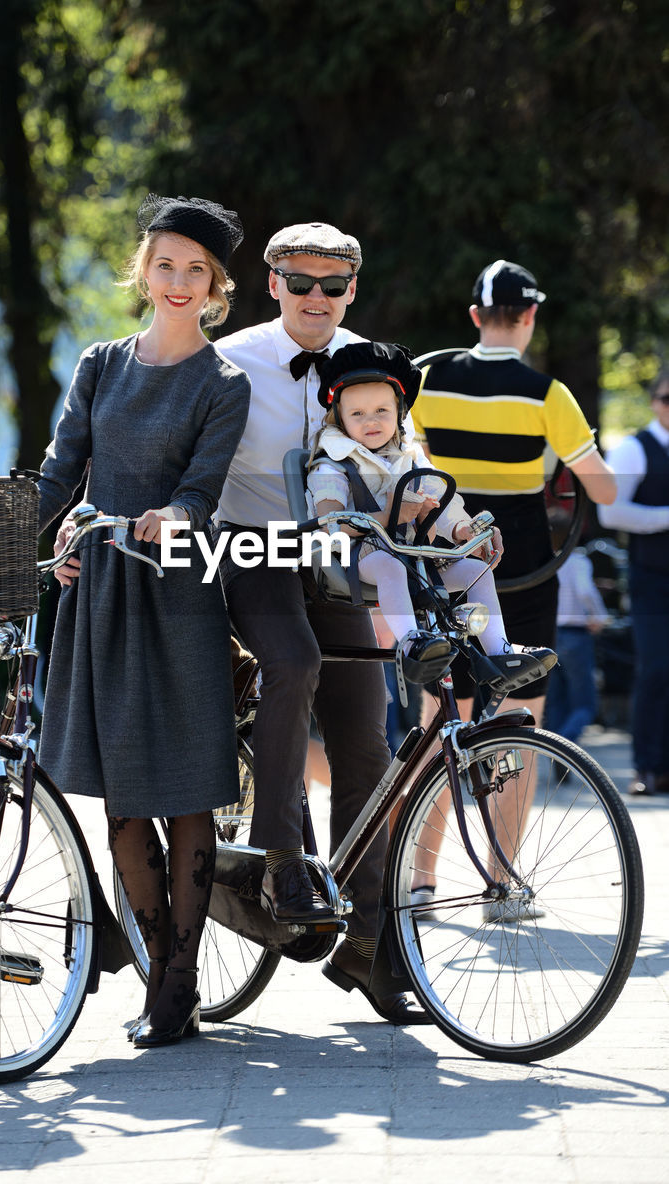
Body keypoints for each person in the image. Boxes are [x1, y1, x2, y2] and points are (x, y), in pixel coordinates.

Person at [38, 195, 251, 1048]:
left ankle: (182, 985)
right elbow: (62, 470)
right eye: (165, 264)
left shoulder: (222, 382)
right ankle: (157, 961)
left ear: (215, 284)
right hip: (99, 592)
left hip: (180, 593)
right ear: (143, 269)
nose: (176, 282)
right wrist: (44, 534)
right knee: (125, 798)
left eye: (194, 270)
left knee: (190, 787)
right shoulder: (100, 364)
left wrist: (177, 516)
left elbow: (201, 489)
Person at [214, 222, 428, 1024]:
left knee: (367, 747)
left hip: (349, 573)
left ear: (352, 289)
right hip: (255, 557)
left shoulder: (376, 364)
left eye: (331, 285)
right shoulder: (229, 360)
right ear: (271, 283)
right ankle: (280, 857)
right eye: (298, 282)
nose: (315, 298)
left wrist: (454, 525)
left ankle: (371, 949)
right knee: (293, 665)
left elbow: (409, 462)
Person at [409, 260, 616, 920]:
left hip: (445, 564)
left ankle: (421, 883)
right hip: (522, 569)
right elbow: (603, 489)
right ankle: (501, 884)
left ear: (475, 316)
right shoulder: (545, 394)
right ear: (529, 317)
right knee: (520, 723)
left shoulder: (427, 381)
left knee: (439, 719)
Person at [308, 340, 553, 688]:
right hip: (359, 556)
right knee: (390, 565)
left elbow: (443, 503)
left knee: (476, 570)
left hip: (417, 556)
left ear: (400, 412)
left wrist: (462, 532)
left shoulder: (410, 456)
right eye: (357, 414)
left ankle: (499, 650)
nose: (371, 421)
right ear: (339, 417)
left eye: (382, 411)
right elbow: (330, 525)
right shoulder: (332, 462)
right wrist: (391, 513)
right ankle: (413, 644)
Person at [598, 368, 669, 795]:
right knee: (656, 670)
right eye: (666, 398)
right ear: (653, 401)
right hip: (653, 579)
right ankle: (648, 767)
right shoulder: (633, 449)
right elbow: (611, 513)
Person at [543, 511, 608, 747]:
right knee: (584, 703)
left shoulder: (544, 563)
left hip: (549, 634)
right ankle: (568, 742)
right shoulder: (578, 561)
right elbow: (585, 591)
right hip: (575, 635)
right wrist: (599, 616)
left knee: (555, 701)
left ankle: (555, 748)